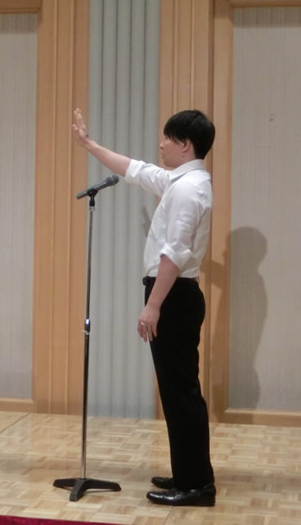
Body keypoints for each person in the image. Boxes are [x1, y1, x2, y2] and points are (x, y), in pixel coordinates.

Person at [71, 108, 216, 507]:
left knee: (181, 393)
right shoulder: (182, 180)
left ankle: (197, 485)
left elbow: (174, 253)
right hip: (174, 295)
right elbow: (136, 170)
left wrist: (153, 306)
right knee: (175, 391)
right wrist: (89, 145)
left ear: (185, 144)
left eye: (168, 138)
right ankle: (187, 473)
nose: (161, 144)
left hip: (173, 296)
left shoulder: (188, 189)